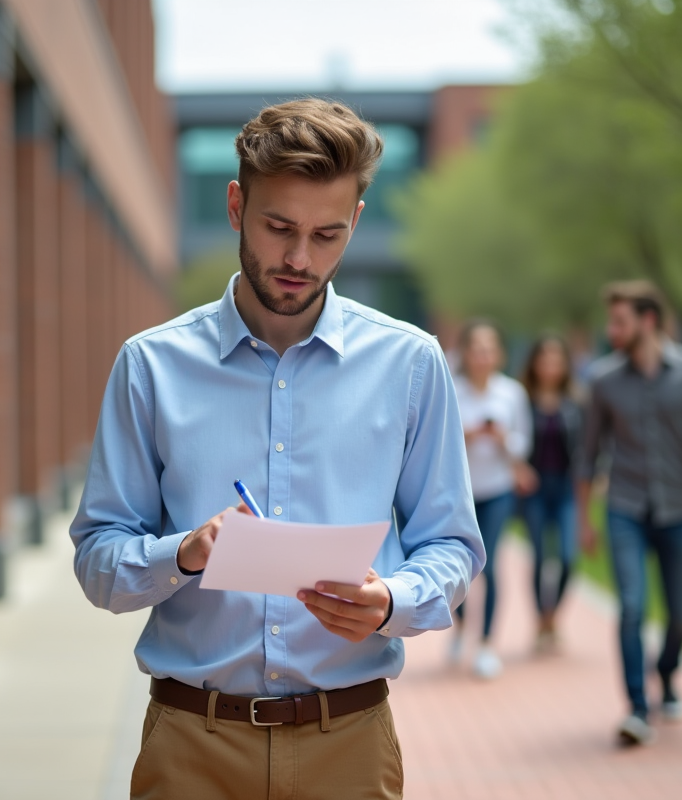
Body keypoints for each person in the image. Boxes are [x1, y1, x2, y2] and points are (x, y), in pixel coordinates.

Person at [70, 99, 484, 800]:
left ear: (355, 224)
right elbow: (98, 560)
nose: (299, 258)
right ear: (236, 206)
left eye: (327, 235)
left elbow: (452, 545)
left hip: (348, 745)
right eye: (279, 227)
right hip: (190, 746)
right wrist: (183, 554)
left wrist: (391, 600)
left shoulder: (410, 365)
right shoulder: (151, 365)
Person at [576, 280, 682, 747]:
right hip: (625, 507)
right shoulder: (603, 380)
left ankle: (665, 673)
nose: (612, 330)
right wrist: (585, 520)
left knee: (681, 615)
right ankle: (637, 709)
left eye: (620, 321)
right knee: (631, 606)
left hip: (678, 509)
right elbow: (587, 457)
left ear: (648, 321)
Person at [450, 320, 531, 679]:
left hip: (498, 490)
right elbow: (440, 444)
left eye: (489, 348)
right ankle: (460, 624)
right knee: (460, 567)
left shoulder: (511, 393)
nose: (482, 356)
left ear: (498, 354)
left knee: (491, 564)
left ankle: (485, 644)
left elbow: (523, 445)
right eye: (475, 348)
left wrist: (501, 439)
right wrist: (466, 435)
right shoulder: (452, 389)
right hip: (460, 493)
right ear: (465, 353)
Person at [516, 334, 582, 653]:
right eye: (545, 359)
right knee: (541, 557)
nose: (550, 366)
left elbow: (585, 450)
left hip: (566, 489)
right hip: (536, 490)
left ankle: (552, 616)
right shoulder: (522, 400)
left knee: (568, 558)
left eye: (557, 359)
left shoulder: (576, 402)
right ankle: (542, 620)